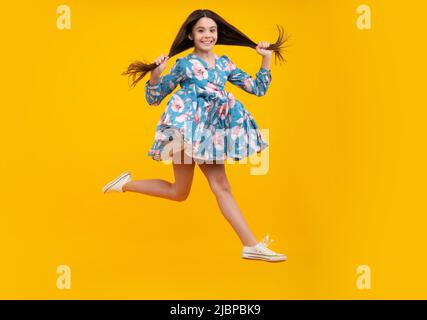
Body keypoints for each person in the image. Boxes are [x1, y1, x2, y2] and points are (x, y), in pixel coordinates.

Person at [103, 9, 289, 262]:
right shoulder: (184, 65)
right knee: (206, 187)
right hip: (184, 129)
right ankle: (251, 244)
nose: (207, 35)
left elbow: (257, 89)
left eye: (212, 30)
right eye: (201, 30)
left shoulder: (225, 63)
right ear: (190, 34)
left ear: (218, 34)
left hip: (210, 132)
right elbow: (155, 98)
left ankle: (124, 184)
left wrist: (265, 59)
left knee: (185, 191)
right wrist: (156, 75)